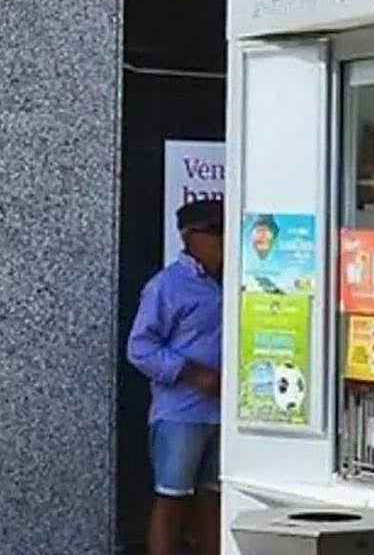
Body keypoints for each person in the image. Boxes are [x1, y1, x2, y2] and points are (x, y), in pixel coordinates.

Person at [128, 199, 224, 555]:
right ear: (189, 237)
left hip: (226, 413)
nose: (224, 239)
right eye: (215, 231)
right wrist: (191, 373)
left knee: (213, 499)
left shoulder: (239, 281)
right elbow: (140, 347)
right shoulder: (167, 286)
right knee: (172, 498)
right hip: (181, 412)